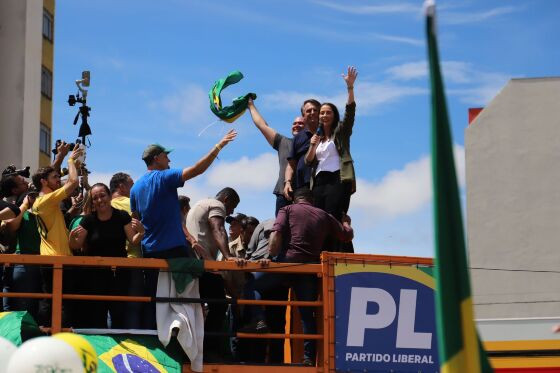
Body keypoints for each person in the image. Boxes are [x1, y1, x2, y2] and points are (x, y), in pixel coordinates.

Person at [130, 129, 237, 329]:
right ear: (156, 159)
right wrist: (219, 146)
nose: (169, 160)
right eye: (165, 156)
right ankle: (202, 347)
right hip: (175, 253)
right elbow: (197, 169)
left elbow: (136, 221)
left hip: (150, 254)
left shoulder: (135, 188)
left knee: (156, 303)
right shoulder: (163, 178)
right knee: (210, 294)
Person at [244, 187, 354, 366]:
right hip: (308, 269)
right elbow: (346, 235)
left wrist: (271, 257)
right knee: (306, 314)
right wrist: (347, 222)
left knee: (251, 286)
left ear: (295, 199)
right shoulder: (323, 215)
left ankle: (259, 320)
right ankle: (309, 358)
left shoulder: (287, 209)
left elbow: (277, 232)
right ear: (312, 200)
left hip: (286, 263)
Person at [69, 183, 144, 328]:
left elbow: (132, 241)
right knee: (97, 313)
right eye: (95, 198)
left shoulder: (122, 216)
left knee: (119, 312)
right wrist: (71, 240)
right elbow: (76, 245)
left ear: (109, 196)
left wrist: (141, 233)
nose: (99, 200)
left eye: (102, 195)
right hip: (95, 275)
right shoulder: (88, 220)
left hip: (119, 273)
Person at [185, 187, 243, 361]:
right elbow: (218, 228)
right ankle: (208, 351)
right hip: (205, 265)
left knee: (196, 308)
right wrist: (228, 256)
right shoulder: (217, 205)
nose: (230, 212)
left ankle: (195, 350)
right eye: (232, 206)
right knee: (219, 305)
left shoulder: (200, 203)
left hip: (193, 263)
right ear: (225, 199)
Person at [31, 146, 83, 326]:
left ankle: (46, 334)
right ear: (44, 182)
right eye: (55, 178)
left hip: (51, 257)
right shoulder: (47, 200)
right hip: (57, 259)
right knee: (61, 303)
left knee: (50, 299)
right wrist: (70, 161)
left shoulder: (42, 201)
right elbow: (74, 182)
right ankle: (56, 337)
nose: (58, 180)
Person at [305, 66, 358, 222]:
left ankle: (336, 246)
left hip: (338, 179)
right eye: (322, 112)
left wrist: (350, 87)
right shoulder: (317, 136)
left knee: (333, 217)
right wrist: (313, 145)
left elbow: (350, 113)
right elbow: (308, 161)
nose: (324, 115)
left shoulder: (341, 132)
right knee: (318, 219)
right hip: (319, 182)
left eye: (328, 112)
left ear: (334, 115)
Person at [247, 99, 305, 215]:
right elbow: (262, 126)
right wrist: (250, 105)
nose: (296, 125)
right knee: (281, 229)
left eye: (301, 123)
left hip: (306, 195)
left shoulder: (315, 143)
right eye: (294, 123)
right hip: (284, 194)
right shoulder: (283, 142)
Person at [110, 172, 144, 329]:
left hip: (110, 262)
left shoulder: (105, 206)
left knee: (112, 307)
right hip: (133, 259)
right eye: (131, 185)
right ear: (122, 187)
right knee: (134, 306)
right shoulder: (131, 204)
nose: (134, 188)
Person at [2, 191, 41, 320]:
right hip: (24, 264)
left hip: (41, 264)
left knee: (35, 309)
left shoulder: (43, 214)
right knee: (23, 310)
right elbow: (11, 226)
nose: (35, 198)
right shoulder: (23, 214)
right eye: (32, 196)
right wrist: (24, 206)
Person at [283, 99, 321, 200]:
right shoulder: (298, 137)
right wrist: (287, 182)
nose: (312, 113)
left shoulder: (329, 132)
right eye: (308, 111)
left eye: (315, 110)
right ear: (304, 116)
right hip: (302, 187)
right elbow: (291, 164)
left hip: (324, 183)